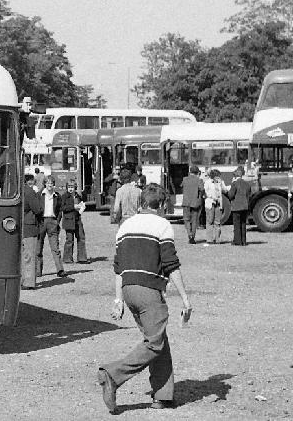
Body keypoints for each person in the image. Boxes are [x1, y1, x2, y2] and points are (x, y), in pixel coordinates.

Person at [98, 184, 192, 413]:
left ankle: (163, 396)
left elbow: (118, 268)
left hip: (129, 290)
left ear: (142, 203)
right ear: (161, 205)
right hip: (149, 290)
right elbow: (171, 265)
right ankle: (113, 375)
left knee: (159, 340)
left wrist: (118, 300)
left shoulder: (125, 226)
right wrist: (185, 299)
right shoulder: (162, 225)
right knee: (154, 342)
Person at [36, 176, 67, 279]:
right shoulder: (39, 194)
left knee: (55, 247)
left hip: (52, 222)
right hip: (41, 221)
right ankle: (38, 270)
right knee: (38, 247)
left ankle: (60, 270)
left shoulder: (57, 196)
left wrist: (57, 221)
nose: (50, 185)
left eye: (52, 183)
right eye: (48, 183)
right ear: (45, 184)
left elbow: (60, 210)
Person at [21, 173, 43, 289]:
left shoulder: (13, 190)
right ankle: (29, 282)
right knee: (29, 256)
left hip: (18, 227)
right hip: (29, 226)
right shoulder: (29, 192)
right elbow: (38, 209)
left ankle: (21, 280)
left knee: (21, 256)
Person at [60, 180, 88, 264]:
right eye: (69, 187)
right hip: (68, 220)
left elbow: (81, 203)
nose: (71, 189)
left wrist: (82, 207)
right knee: (69, 239)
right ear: (67, 188)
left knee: (81, 238)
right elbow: (63, 208)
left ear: (75, 188)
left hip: (77, 219)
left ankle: (82, 258)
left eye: (72, 187)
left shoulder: (78, 196)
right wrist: (73, 207)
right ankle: (67, 258)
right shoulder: (64, 196)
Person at [228, 166, 252, 246]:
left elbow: (231, 195)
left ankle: (237, 241)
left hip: (236, 207)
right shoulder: (247, 184)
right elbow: (249, 195)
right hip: (245, 206)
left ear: (235, 175)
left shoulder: (234, 184)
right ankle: (244, 241)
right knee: (243, 224)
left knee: (236, 224)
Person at [181, 165, 204, 244]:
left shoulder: (185, 179)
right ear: (197, 172)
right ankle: (193, 237)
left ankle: (189, 235)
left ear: (190, 172)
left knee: (187, 220)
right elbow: (202, 189)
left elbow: (181, 186)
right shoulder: (199, 180)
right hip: (195, 203)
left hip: (186, 203)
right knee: (194, 221)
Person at [203, 169, 228, 244]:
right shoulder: (207, 182)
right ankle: (209, 239)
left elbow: (225, 190)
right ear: (213, 176)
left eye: (219, 177)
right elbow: (205, 193)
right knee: (210, 221)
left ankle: (217, 239)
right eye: (217, 177)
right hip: (210, 203)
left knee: (217, 222)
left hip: (218, 204)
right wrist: (212, 197)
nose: (218, 178)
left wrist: (221, 184)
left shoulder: (220, 182)